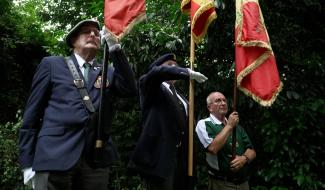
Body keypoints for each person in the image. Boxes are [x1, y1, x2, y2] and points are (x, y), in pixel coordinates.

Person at [18, 19, 137, 190]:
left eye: (97, 33)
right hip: (54, 155)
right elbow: (31, 115)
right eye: (86, 31)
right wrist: (27, 163)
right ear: (73, 41)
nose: (93, 34)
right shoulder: (52, 64)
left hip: (95, 158)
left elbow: (130, 89)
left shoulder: (108, 70)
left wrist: (115, 49)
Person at [128, 53, 208, 190]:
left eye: (176, 66)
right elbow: (154, 74)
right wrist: (185, 71)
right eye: (169, 65)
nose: (174, 68)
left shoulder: (182, 98)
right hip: (159, 159)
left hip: (181, 160)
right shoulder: (151, 85)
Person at [195, 91, 256, 190]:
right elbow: (212, 148)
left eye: (224, 100)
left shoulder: (238, 127)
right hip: (221, 184)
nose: (223, 103)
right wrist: (229, 126)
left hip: (244, 184)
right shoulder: (204, 124)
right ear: (209, 107)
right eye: (218, 101)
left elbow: (252, 151)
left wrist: (244, 159)